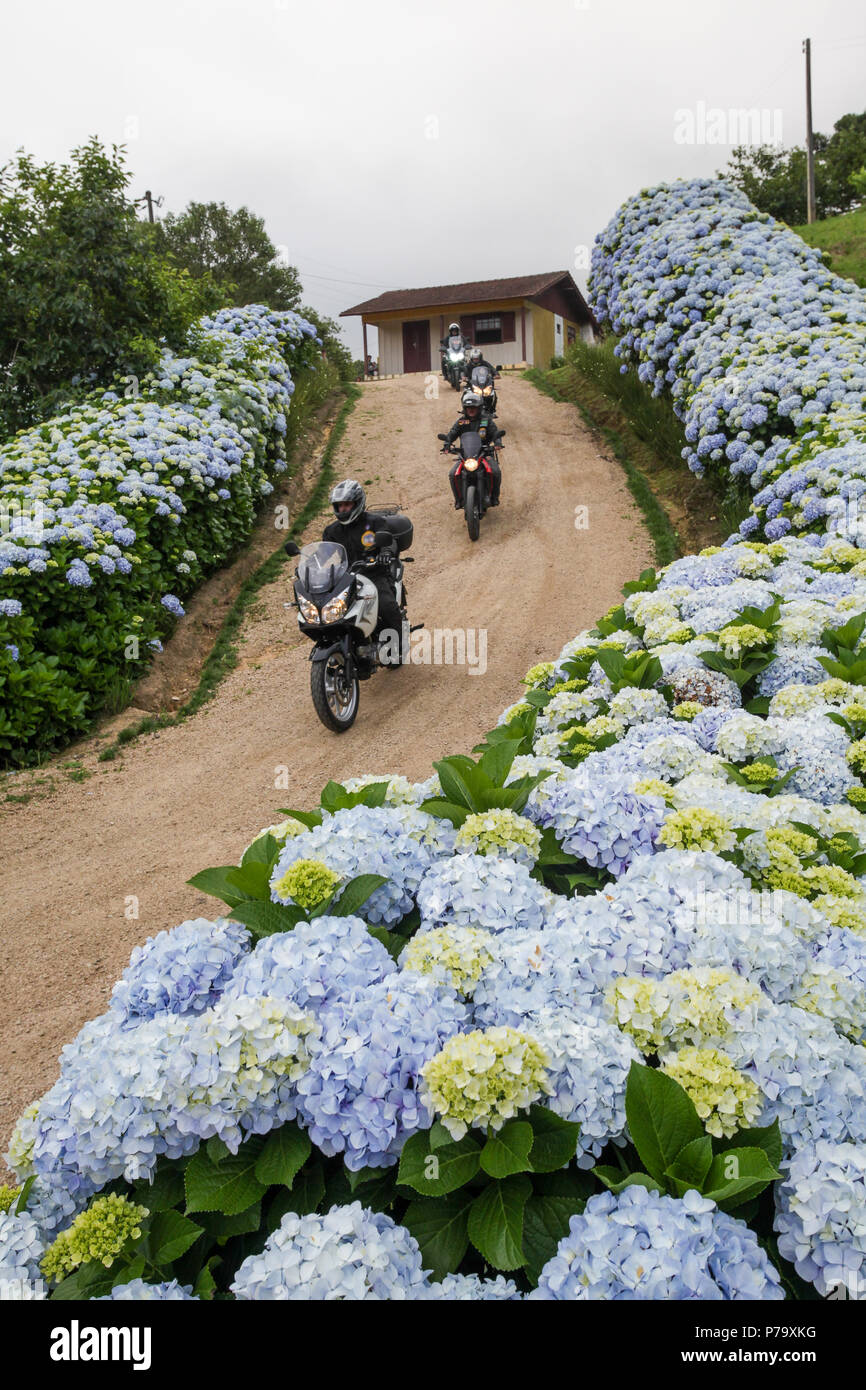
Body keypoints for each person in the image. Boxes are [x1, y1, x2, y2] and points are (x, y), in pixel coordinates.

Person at [322, 480, 405, 662]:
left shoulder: (375, 522)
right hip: (346, 578)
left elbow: (389, 540)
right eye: (339, 506)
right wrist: (314, 566)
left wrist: (385, 552)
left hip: (374, 573)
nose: (343, 509)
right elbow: (324, 554)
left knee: (387, 606)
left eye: (347, 505)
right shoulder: (332, 531)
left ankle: (398, 645)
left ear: (358, 503)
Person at [441, 391, 503, 507]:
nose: (471, 410)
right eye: (468, 407)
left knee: (495, 471)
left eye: (474, 407)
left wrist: (497, 442)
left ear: (479, 407)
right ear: (464, 408)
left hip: (484, 453)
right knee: (453, 474)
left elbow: (495, 433)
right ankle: (459, 500)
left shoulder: (486, 420)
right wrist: (447, 444)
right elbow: (452, 434)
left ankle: (494, 497)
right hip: (466, 455)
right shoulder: (461, 422)